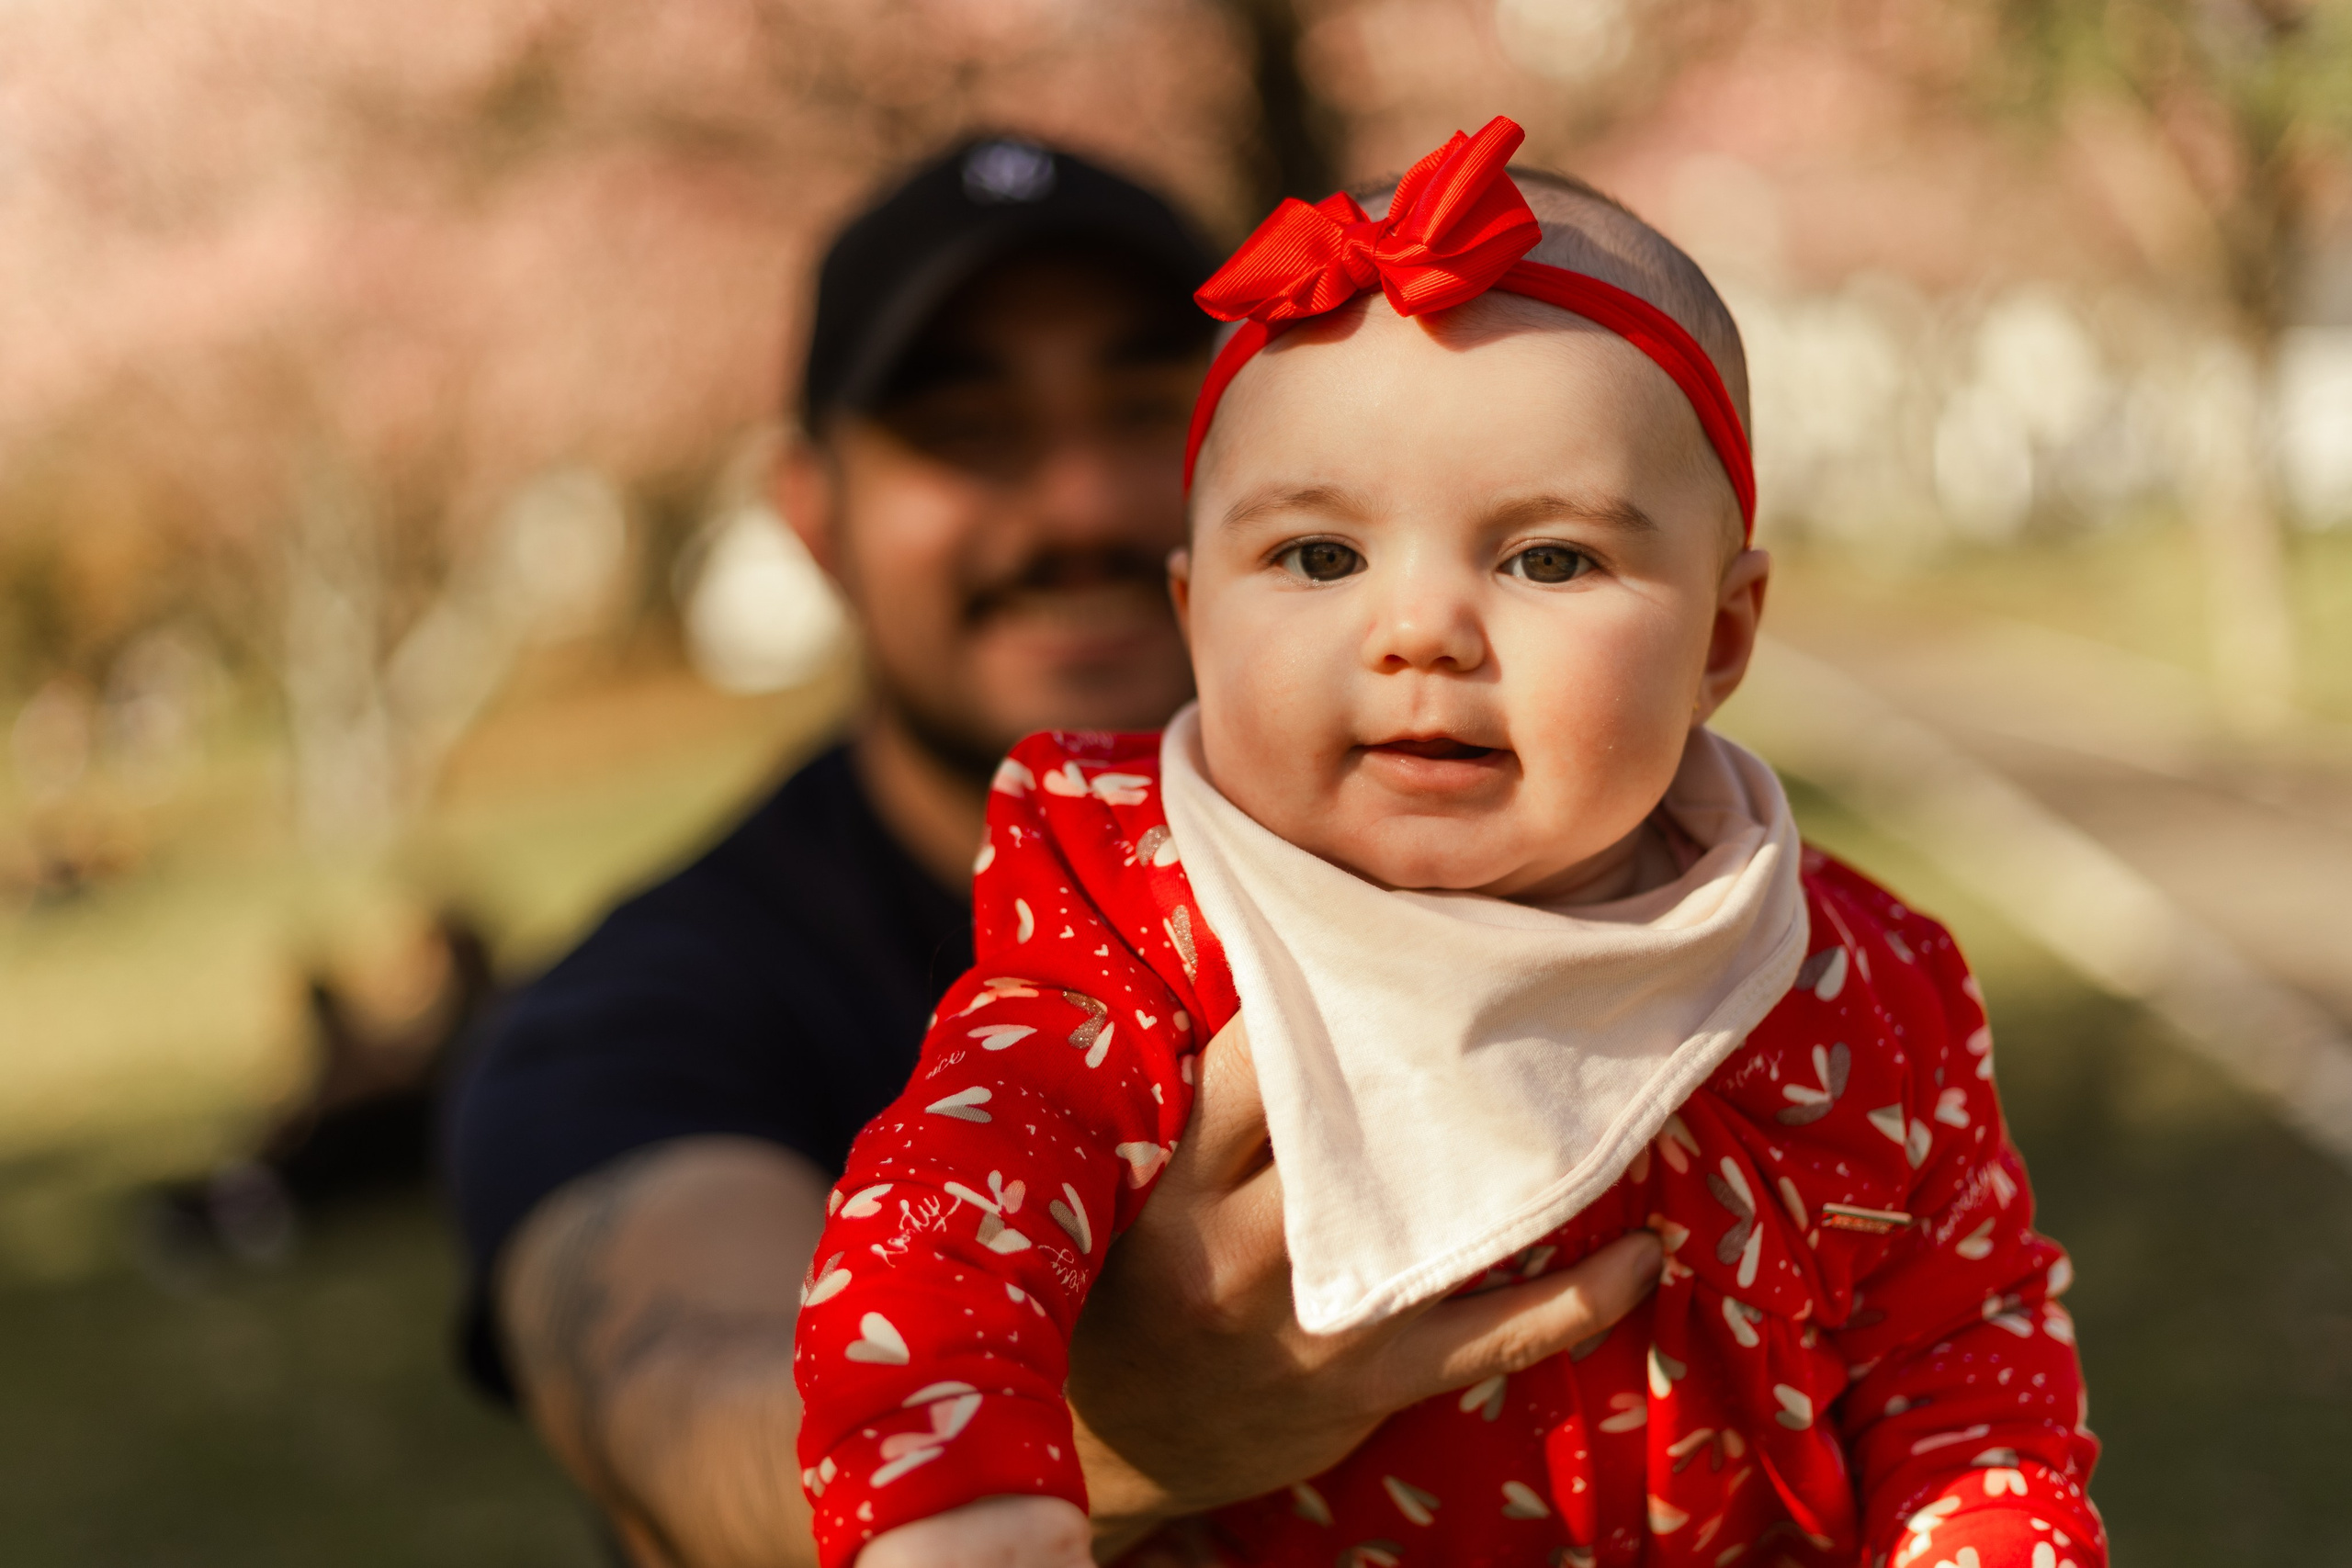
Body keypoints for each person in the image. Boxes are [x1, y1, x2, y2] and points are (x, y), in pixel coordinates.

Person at [790, 119, 2105, 1568]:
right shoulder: (1142, 925)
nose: (1418, 630)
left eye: (1547, 558)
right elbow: (951, 1212)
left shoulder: (1858, 991)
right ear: (1194, 617)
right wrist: (963, 1509)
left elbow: (1963, 1360)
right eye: (1317, 556)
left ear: (1722, 635)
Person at [446, 135, 1666, 1568]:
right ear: (812, 517)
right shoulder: (651, 1006)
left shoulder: (1562, 867)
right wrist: (1097, 1436)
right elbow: (683, 1400)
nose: (1077, 506)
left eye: (1149, 410)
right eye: (969, 433)